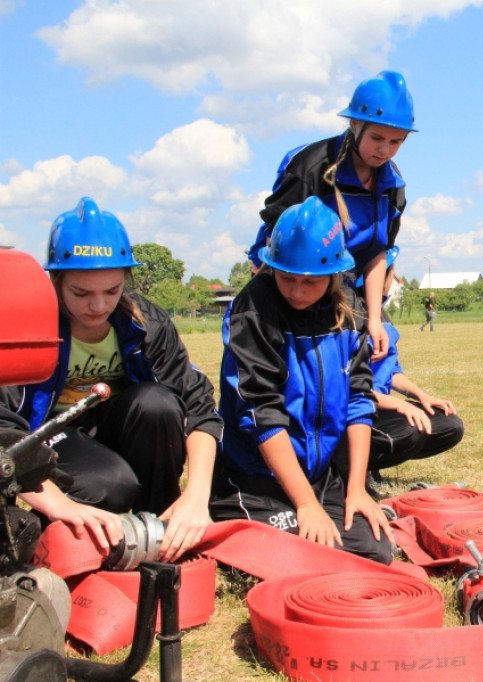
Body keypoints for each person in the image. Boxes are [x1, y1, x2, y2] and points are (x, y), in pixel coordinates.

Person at [0, 197, 222, 562]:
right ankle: (69, 535)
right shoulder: (30, 326)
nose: (99, 305)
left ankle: (164, 532)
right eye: (81, 293)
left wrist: (196, 498)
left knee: (158, 404)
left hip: (118, 427)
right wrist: (57, 504)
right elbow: (5, 434)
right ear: (55, 280)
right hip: (56, 438)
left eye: (112, 291)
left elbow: (199, 408)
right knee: (111, 485)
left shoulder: (145, 324)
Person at [213, 196, 393, 564]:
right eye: (287, 278)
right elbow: (262, 413)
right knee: (312, 558)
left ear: (333, 274)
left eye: (310, 282)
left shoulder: (351, 310)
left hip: (319, 475)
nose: (296, 291)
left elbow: (359, 400)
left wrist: (356, 489)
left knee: (375, 552)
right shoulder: (254, 309)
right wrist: (306, 505)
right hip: (255, 476)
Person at [247, 70, 417, 362]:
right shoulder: (310, 167)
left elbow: (378, 253)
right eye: (377, 137)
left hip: (350, 291)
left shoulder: (392, 185)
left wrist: (374, 319)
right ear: (355, 124)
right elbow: (275, 242)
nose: (384, 150)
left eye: (396, 142)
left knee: (381, 357)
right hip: (297, 285)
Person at [357, 249, 464, 487]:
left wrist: (421, 396)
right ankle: (354, 469)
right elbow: (351, 389)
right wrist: (401, 405)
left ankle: (371, 465)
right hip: (356, 410)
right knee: (409, 430)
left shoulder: (380, 314)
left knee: (449, 425)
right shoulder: (351, 316)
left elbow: (391, 370)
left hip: (379, 406)